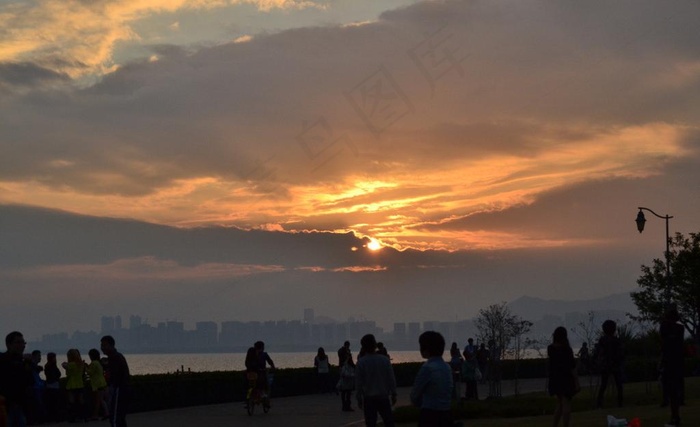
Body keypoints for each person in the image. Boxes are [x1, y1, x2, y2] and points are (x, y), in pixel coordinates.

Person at [410, 331, 453, 427]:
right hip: (446, 413)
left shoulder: (427, 368)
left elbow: (415, 395)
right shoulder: (447, 367)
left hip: (429, 414)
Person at [355, 334, 397, 427]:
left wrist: (359, 398)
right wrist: (394, 393)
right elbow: (391, 378)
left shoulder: (361, 362)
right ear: (375, 345)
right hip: (383, 396)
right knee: (389, 422)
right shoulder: (385, 360)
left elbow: (359, 382)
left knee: (370, 423)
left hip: (369, 398)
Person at [548, 326, 579, 427]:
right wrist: (576, 381)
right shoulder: (567, 350)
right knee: (566, 404)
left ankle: (554, 425)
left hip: (555, 379)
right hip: (566, 378)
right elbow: (572, 367)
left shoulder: (551, 349)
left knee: (560, 404)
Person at [0, 331, 33, 427]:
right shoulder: (3, 360)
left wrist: (28, 364)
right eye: (18, 342)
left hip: (20, 404)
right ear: (8, 344)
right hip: (5, 405)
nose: (22, 345)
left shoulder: (23, 362)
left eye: (23, 343)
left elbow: (29, 381)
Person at [659, 306, 684, 426]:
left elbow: (664, 343)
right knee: (676, 388)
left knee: (670, 388)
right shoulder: (680, 328)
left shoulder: (665, 327)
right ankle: (675, 415)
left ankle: (674, 416)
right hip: (678, 361)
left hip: (669, 362)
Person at [100, 335, 131, 427]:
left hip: (119, 390)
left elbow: (115, 376)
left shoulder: (115, 358)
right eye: (101, 345)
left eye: (104, 345)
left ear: (111, 345)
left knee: (115, 418)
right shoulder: (115, 357)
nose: (102, 348)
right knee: (119, 417)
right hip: (121, 389)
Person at [594, 320, 623, 408]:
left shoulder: (602, 340)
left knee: (603, 385)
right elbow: (620, 353)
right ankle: (620, 403)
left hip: (605, 365)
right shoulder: (616, 341)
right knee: (619, 385)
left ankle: (599, 404)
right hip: (615, 365)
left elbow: (599, 352)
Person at [62, 348, 86, 422]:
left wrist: (64, 363)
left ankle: (72, 417)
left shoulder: (71, 364)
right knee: (81, 401)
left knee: (71, 401)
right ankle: (82, 417)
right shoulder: (81, 364)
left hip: (71, 384)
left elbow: (64, 366)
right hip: (80, 384)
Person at [87, 349, 109, 421]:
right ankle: (106, 413)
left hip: (97, 384)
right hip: (102, 382)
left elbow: (90, 372)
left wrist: (85, 368)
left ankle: (96, 415)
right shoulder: (99, 363)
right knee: (101, 400)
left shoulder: (94, 363)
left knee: (98, 400)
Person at [253, 341, 275, 407]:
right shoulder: (264, 354)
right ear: (262, 347)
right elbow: (270, 361)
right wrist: (273, 367)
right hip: (262, 373)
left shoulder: (252, 354)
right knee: (267, 387)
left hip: (252, 373)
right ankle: (267, 402)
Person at [43, 352, 62, 423]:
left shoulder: (47, 366)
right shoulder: (53, 366)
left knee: (51, 404)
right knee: (55, 403)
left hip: (49, 386)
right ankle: (56, 417)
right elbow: (58, 374)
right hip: (54, 386)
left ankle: (51, 417)